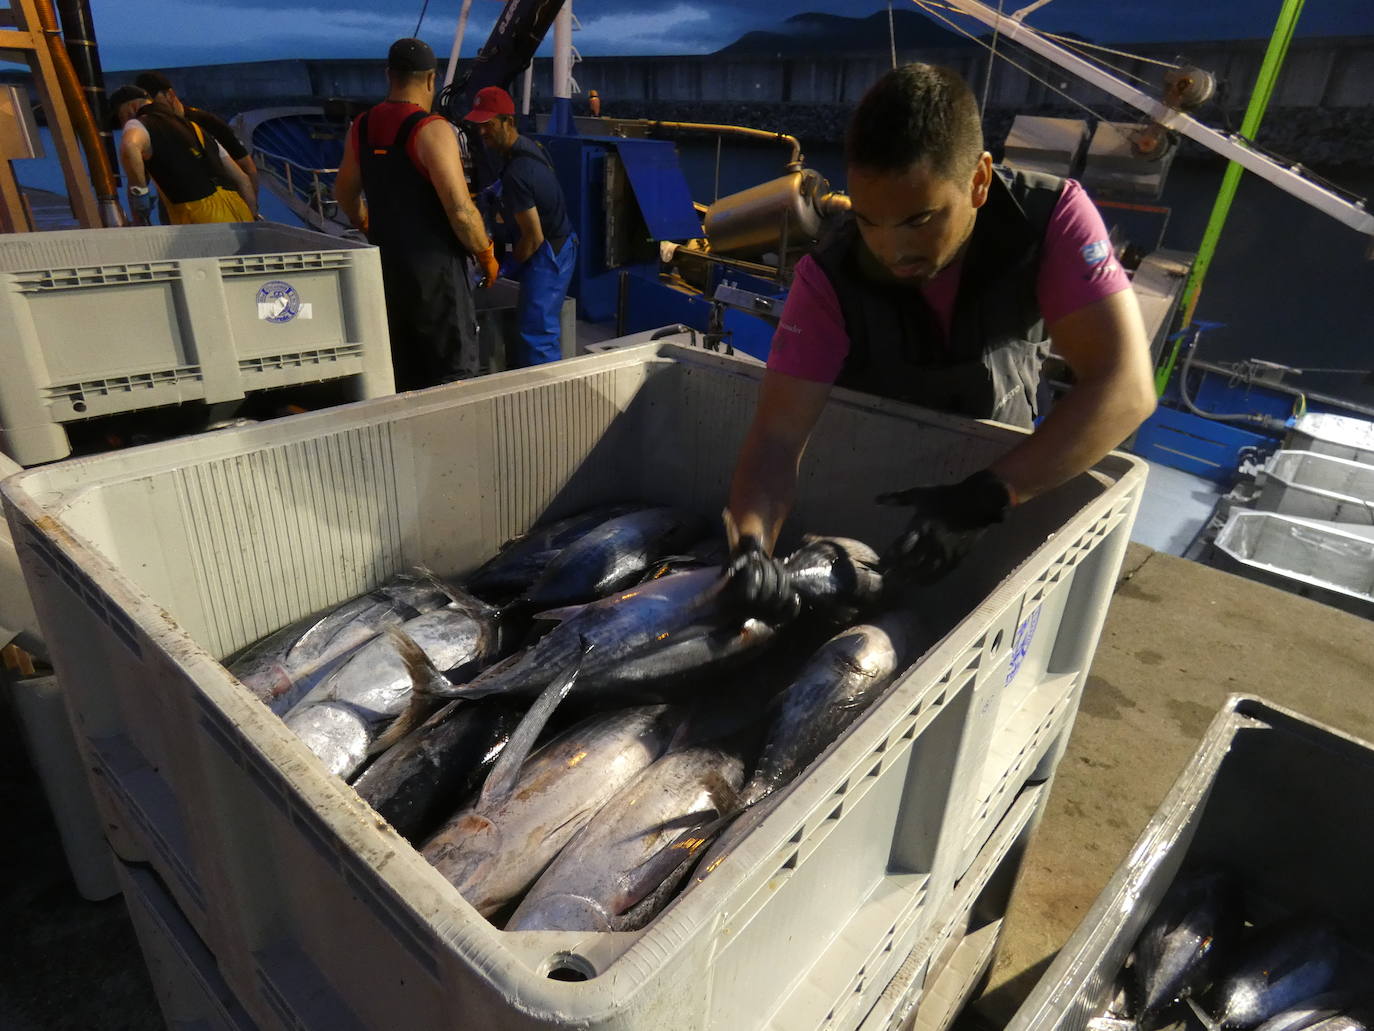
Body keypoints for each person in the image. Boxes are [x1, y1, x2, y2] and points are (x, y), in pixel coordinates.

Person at [725, 64, 1157, 612]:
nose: (891, 249)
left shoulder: (1049, 219)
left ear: (978, 181)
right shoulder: (828, 274)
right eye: (869, 221)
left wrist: (988, 496)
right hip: (870, 492)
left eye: (918, 220)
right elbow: (776, 438)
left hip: (1004, 478)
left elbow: (1126, 388)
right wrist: (750, 543)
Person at [334, 38, 500, 391]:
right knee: (452, 377)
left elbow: (345, 194)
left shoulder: (361, 127)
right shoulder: (431, 129)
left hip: (388, 274)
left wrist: (366, 223)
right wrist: (485, 253)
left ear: (389, 75)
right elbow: (460, 210)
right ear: (430, 80)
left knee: (403, 373)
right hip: (437, 282)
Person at [464, 86, 578, 367]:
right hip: (562, 242)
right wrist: (494, 190)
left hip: (549, 252)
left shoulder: (518, 173)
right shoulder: (527, 148)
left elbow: (533, 238)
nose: (482, 132)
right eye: (479, 126)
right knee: (538, 324)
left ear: (508, 122)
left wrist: (505, 268)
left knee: (536, 332)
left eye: (488, 125)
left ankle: (546, 395)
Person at [108, 84, 256, 226]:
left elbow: (130, 146)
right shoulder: (195, 128)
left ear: (129, 110)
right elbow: (243, 180)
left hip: (202, 220)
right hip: (239, 213)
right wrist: (252, 220)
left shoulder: (137, 124)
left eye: (121, 119)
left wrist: (140, 197)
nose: (123, 126)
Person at [134, 71, 260, 200]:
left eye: (154, 104)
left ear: (170, 95)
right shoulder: (150, 131)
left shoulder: (206, 123)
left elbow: (248, 168)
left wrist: (252, 210)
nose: (150, 110)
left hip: (221, 203)